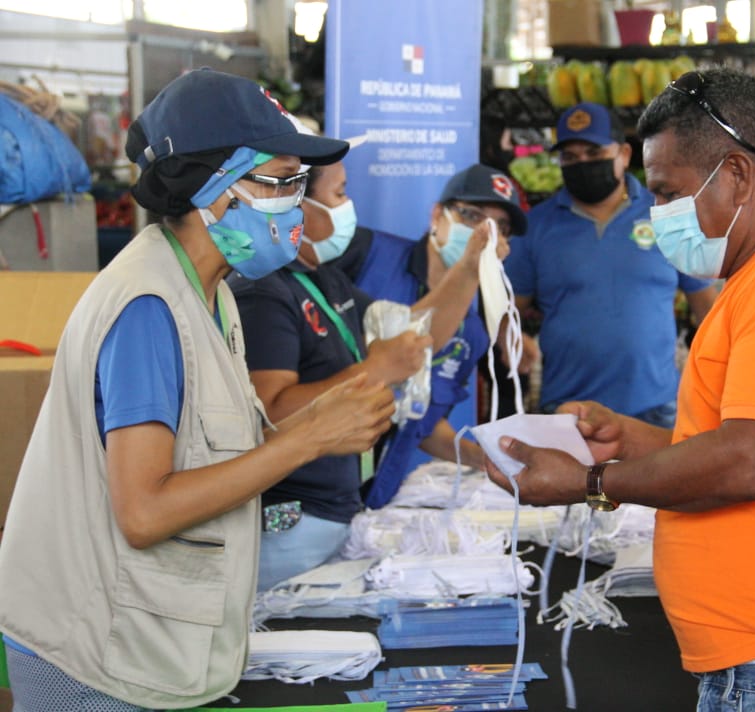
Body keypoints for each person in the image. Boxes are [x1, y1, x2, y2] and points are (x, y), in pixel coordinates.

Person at [486, 67, 755, 711]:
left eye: (667, 193)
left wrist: (592, 484)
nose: (659, 213)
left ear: (738, 174)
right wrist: (635, 441)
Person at [0, 68, 395, 710]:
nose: (297, 206)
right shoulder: (148, 308)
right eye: (280, 182)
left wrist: (319, 418)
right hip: (96, 660)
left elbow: (210, 449)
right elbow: (145, 512)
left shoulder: (208, 292)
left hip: (147, 637)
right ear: (212, 190)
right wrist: (309, 440)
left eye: (300, 183)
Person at [229, 146, 434, 590]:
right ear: (295, 203)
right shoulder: (263, 292)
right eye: (339, 194)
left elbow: (414, 325)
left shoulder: (323, 277)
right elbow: (268, 412)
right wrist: (375, 370)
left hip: (334, 513)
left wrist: (471, 267)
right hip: (291, 518)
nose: (347, 209)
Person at [504, 101, 717, 428]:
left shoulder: (670, 216)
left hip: (657, 408)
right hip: (568, 409)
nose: (582, 164)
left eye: (593, 153)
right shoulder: (536, 227)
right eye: (570, 157)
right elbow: (508, 310)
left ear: (625, 156)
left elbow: (709, 309)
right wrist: (512, 338)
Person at [334, 163, 527, 508]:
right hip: (311, 477)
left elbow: (421, 420)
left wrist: (480, 458)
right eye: (472, 216)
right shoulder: (364, 253)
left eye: (501, 227)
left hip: (371, 496)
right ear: (437, 215)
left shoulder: (473, 331)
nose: (486, 234)